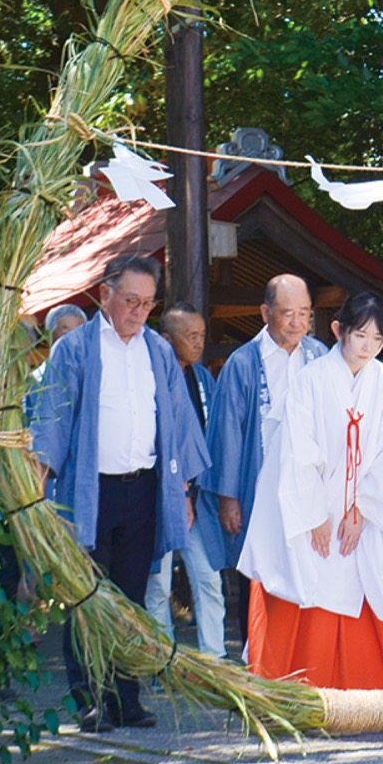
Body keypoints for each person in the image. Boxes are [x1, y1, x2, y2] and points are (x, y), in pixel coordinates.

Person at [31, 255, 208, 731]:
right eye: (131, 300)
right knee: (87, 596)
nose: (138, 311)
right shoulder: (76, 349)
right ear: (105, 294)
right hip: (89, 490)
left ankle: (126, 697)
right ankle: (88, 699)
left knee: (132, 599)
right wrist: (38, 482)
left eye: (148, 303)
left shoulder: (157, 350)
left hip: (144, 488)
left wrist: (185, 489)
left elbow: (179, 422)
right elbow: (53, 418)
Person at [239, 292, 383, 689]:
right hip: (312, 508)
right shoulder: (310, 381)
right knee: (304, 581)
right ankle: (296, 692)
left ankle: (364, 693)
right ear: (338, 330)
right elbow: (295, 454)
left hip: (362, 516)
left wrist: (361, 511)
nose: (368, 347)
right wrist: (313, 517)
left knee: (360, 585)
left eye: (377, 340)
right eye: (360, 335)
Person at [206, 273, 324, 646]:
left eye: (303, 313)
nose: (296, 322)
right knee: (258, 577)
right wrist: (228, 498)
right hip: (258, 489)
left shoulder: (320, 357)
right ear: (264, 313)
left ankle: (307, 667)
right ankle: (257, 665)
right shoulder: (243, 363)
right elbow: (226, 433)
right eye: (287, 313)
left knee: (313, 575)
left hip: (311, 489)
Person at [144, 304, 227, 659]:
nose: (198, 344)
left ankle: (215, 658)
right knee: (158, 585)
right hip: (158, 496)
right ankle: (164, 662)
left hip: (198, 497)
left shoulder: (203, 379)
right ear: (166, 339)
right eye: (190, 336)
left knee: (208, 578)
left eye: (202, 336)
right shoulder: (148, 378)